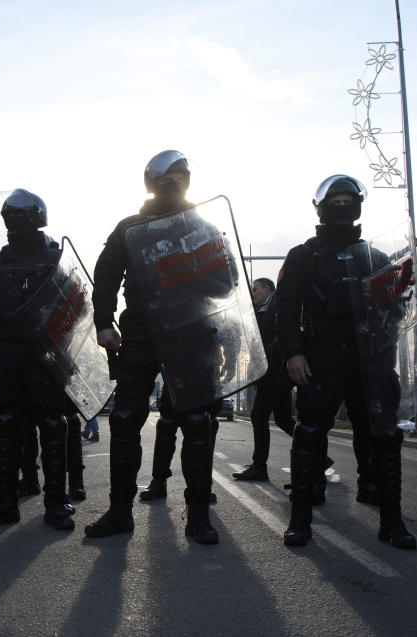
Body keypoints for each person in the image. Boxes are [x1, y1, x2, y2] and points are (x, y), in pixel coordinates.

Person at [85, 150, 237, 544]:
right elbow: (105, 277)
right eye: (166, 178)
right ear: (152, 182)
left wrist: (188, 274)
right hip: (139, 334)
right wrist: (104, 322)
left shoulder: (203, 227)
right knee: (123, 421)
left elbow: (227, 282)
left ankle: (198, 516)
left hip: (191, 333)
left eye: (180, 177)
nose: (173, 184)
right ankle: (120, 512)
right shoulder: (129, 227)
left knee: (198, 424)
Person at [277, 174, 416, 549]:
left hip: (369, 358)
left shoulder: (375, 256)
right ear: (321, 208)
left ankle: (392, 521)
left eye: (347, 200)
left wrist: (386, 352)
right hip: (321, 355)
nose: (341, 206)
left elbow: (394, 312)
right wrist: (293, 352)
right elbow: (286, 307)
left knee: (385, 437)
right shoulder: (304, 255)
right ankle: (300, 520)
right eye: (334, 201)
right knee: (309, 433)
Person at [0, 189, 75, 531]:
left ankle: (56, 503)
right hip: (8, 355)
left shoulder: (56, 261)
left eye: (18, 218)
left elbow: (76, 307)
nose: (14, 224)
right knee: (8, 427)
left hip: (46, 356)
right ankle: (6, 500)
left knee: (53, 427)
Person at [233, 277, 294, 481]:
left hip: (274, 373)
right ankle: (319, 456)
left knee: (258, 416)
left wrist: (265, 354)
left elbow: (282, 333)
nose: (253, 293)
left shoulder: (277, 304)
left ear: (268, 289)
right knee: (284, 420)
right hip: (276, 375)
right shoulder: (263, 309)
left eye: (256, 289)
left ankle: (259, 467)